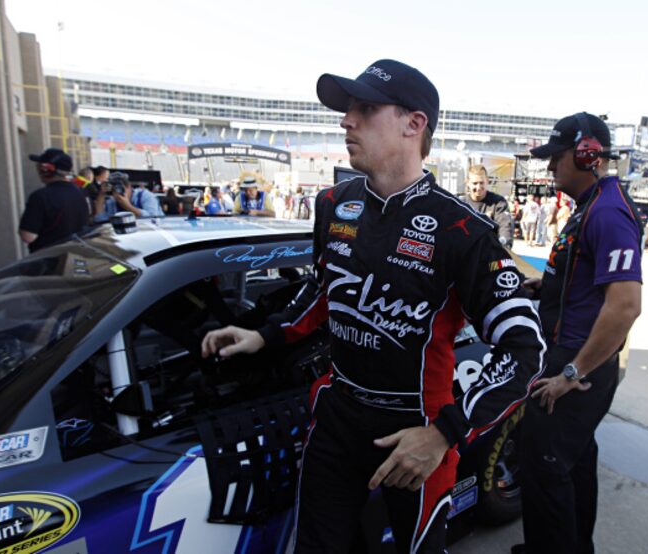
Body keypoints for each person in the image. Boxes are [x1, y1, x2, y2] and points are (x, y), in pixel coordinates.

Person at [200, 59, 545, 553]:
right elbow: (326, 292)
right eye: (347, 110)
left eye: (364, 108)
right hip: (338, 413)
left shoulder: (462, 231)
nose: (346, 120)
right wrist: (267, 335)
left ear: (414, 123)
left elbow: (525, 346)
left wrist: (445, 433)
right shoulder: (333, 204)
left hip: (418, 429)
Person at [516, 112, 643, 554]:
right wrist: (545, 285)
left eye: (556, 157)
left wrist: (571, 374)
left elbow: (625, 305)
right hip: (574, 354)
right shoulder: (590, 207)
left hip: (578, 364)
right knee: (573, 463)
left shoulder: (608, 213)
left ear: (588, 154)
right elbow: (584, 278)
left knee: (544, 467)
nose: (549, 167)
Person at [19, 148, 89, 253]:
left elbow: (28, 236)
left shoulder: (40, 197)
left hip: (48, 260)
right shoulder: (80, 192)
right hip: (74, 255)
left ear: (46, 170)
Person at [459, 164, 514, 247]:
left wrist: (503, 245)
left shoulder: (498, 202)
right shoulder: (460, 203)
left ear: (487, 181)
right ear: (467, 183)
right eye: (475, 183)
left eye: (482, 183)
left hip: (488, 250)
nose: (478, 187)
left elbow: (505, 227)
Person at [95, 172, 165, 222]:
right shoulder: (112, 201)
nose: (118, 192)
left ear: (129, 187)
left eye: (120, 189)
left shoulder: (146, 196)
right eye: (114, 190)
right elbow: (101, 220)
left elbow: (154, 219)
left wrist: (128, 206)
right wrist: (101, 194)